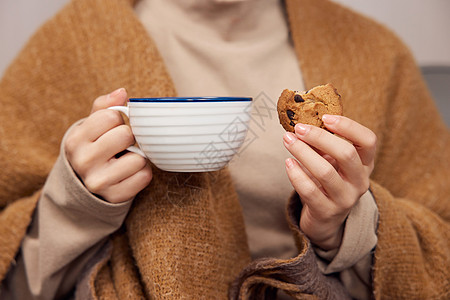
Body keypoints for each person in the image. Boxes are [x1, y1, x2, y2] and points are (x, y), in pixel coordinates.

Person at [0, 0, 448, 299]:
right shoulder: (70, 45)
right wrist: (73, 207)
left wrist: (350, 230)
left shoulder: (377, 54)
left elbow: (440, 254)